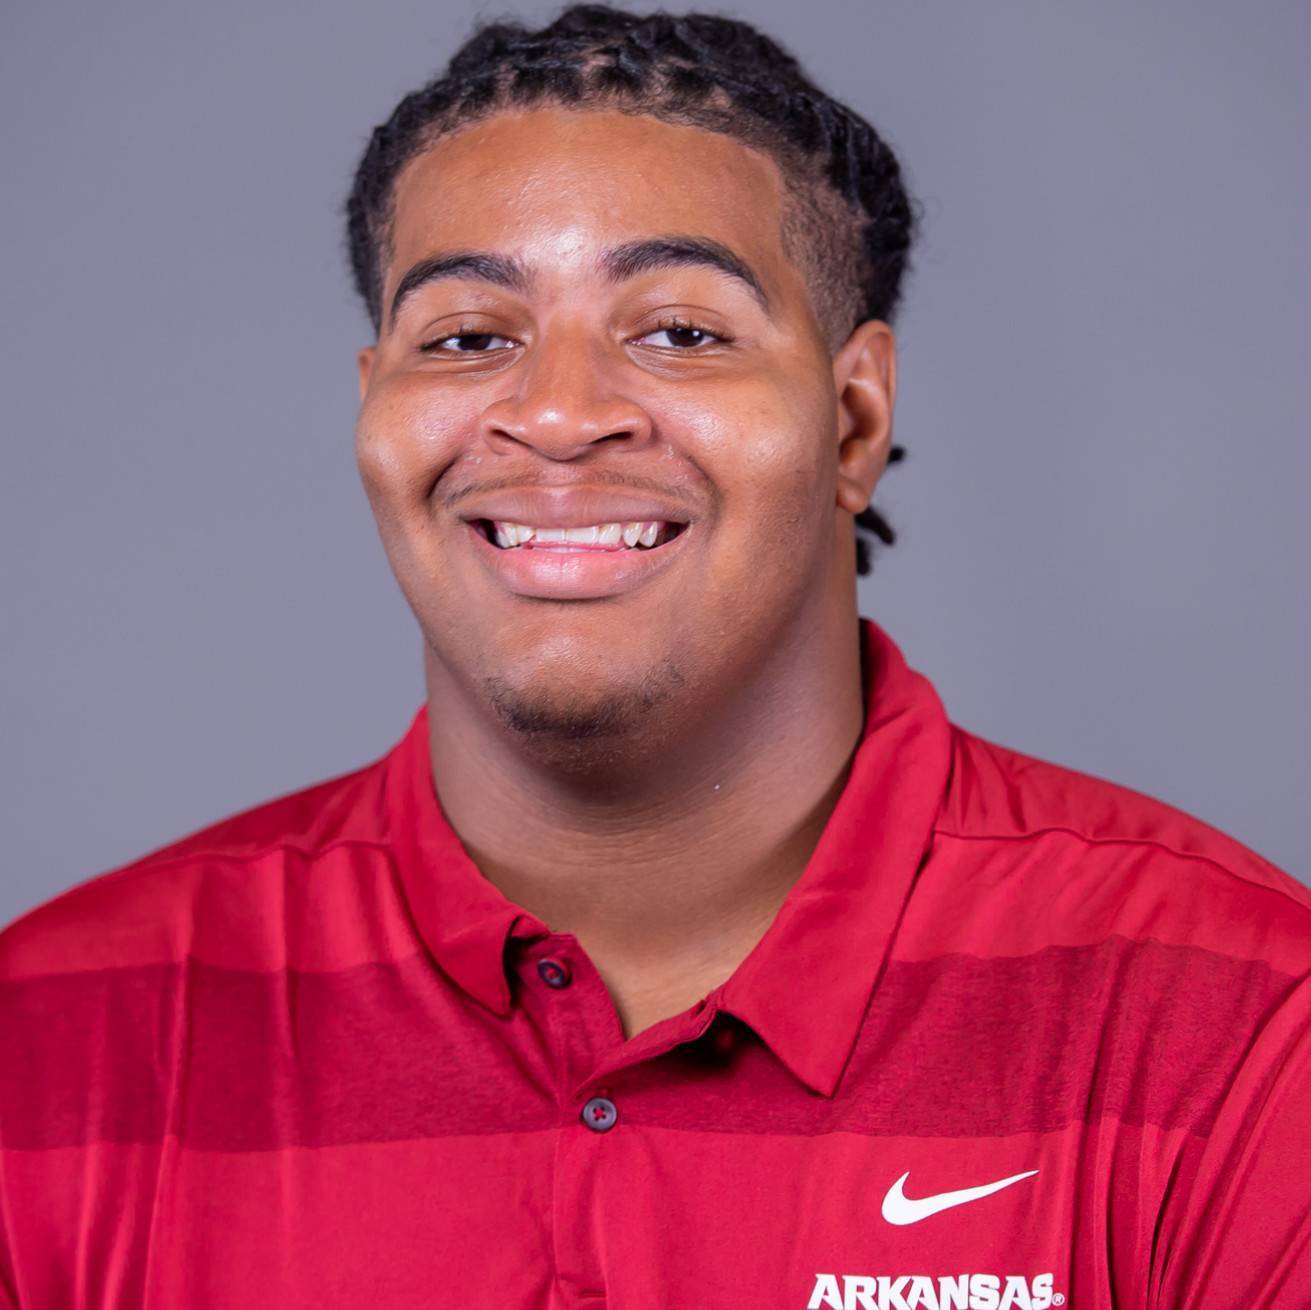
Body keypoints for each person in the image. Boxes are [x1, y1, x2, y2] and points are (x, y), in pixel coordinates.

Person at [2, 5, 1307, 1307]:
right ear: (375, 409)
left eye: (681, 330)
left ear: (853, 421)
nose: (558, 413)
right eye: (467, 337)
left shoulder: (1242, 1027)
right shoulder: (52, 1043)